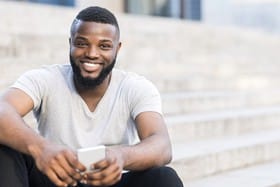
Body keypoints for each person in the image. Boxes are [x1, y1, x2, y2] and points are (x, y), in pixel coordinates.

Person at [0, 6, 183, 187]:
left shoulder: (135, 87)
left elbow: (161, 145)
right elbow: (3, 110)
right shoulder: (45, 79)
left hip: (111, 181)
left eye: (104, 46)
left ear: (117, 49)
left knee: (164, 178)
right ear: (70, 43)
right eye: (81, 43)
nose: (92, 54)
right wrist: (41, 149)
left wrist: (120, 156)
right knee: (5, 146)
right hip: (57, 180)